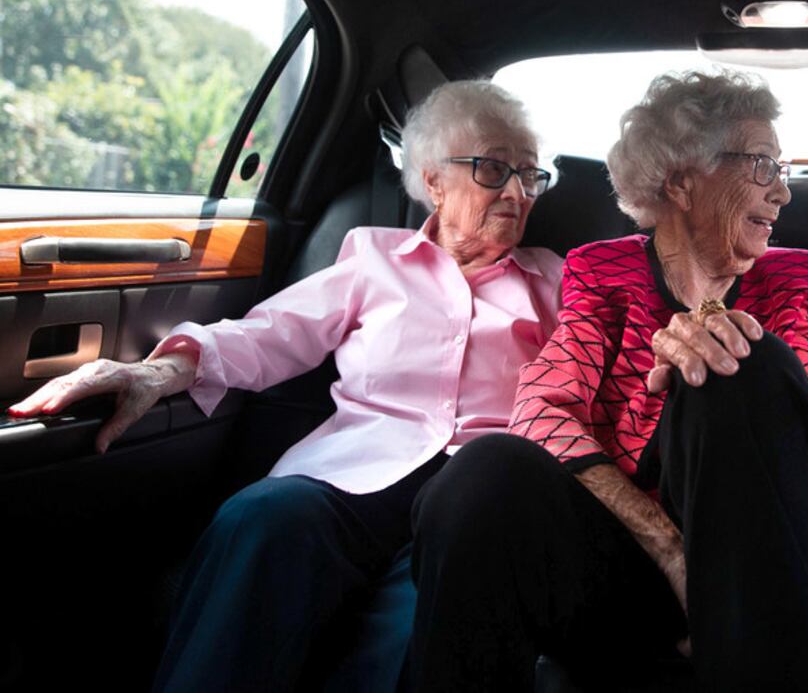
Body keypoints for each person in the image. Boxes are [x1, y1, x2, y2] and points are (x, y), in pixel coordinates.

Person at [7, 80, 563, 693]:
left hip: (472, 498)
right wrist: (157, 371)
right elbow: (272, 333)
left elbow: (604, 380)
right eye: (493, 169)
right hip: (353, 472)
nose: (516, 192)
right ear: (432, 179)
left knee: (429, 616)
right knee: (261, 517)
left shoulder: (557, 281)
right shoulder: (373, 258)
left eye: (530, 175)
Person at [407, 70, 808, 692]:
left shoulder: (798, 276)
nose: (783, 193)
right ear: (682, 180)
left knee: (735, 361)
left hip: (798, 544)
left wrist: (720, 345)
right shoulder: (603, 271)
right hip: (647, 562)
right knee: (483, 472)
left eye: (780, 168)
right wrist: (670, 550)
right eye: (762, 165)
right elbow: (542, 410)